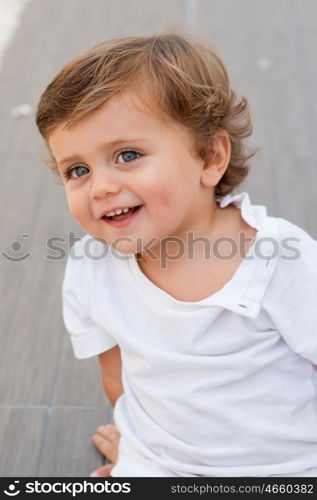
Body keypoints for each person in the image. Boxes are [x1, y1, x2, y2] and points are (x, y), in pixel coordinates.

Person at [35, 30, 317, 477]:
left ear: (209, 158)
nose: (101, 186)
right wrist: (142, 452)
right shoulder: (92, 268)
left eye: (127, 154)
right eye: (78, 170)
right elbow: (118, 375)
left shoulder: (280, 260)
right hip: (164, 462)